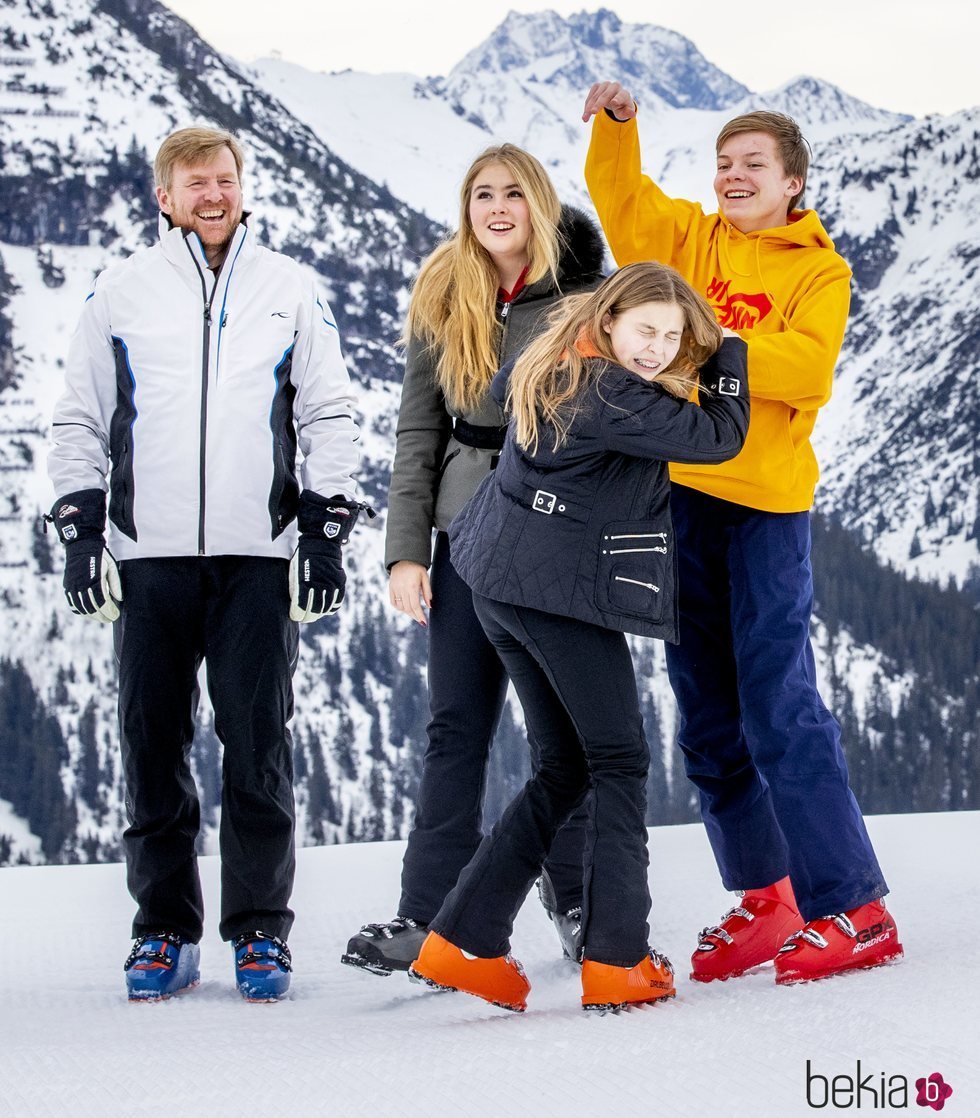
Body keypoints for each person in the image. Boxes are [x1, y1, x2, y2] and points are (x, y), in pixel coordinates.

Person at [583, 81, 903, 985]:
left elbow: (806, 369)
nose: (733, 177)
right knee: (709, 715)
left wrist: (703, 333)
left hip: (766, 506)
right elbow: (623, 206)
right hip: (678, 498)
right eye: (724, 164)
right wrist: (618, 129)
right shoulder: (690, 241)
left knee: (779, 708)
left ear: (793, 182)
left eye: (753, 165)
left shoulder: (819, 270)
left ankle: (856, 907)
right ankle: (769, 898)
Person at [47, 125, 365, 1003]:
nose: (213, 195)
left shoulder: (287, 287)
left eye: (224, 179)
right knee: (153, 743)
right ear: (165, 195)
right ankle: (163, 934)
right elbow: (80, 416)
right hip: (146, 560)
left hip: (256, 558)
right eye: (195, 183)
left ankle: (260, 933)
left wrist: (323, 529)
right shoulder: (122, 291)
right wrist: (80, 529)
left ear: (241, 185)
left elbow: (327, 413)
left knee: (257, 746)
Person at [409, 264, 750, 1012]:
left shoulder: (553, 356)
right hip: (555, 592)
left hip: (498, 577)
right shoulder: (612, 390)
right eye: (646, 331)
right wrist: (724, 350)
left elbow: (495, 400)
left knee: (565, 765)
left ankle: (463, 943)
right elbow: (719, 438)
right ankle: (618, 959)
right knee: (619, 760)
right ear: (611, 318)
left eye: (673, 336)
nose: (659, 349)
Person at [342, 145, 606, 977]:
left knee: (561, 734)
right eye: (481, 194)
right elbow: (417, 430)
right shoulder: (443, 289)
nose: (497, 208)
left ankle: (577, 901)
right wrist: (404, 554)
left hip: (552, 536)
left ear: (540, 204)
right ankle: (427, 916)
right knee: (456, 726)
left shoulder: (585, 299)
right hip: (462, 535)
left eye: (512, 194)